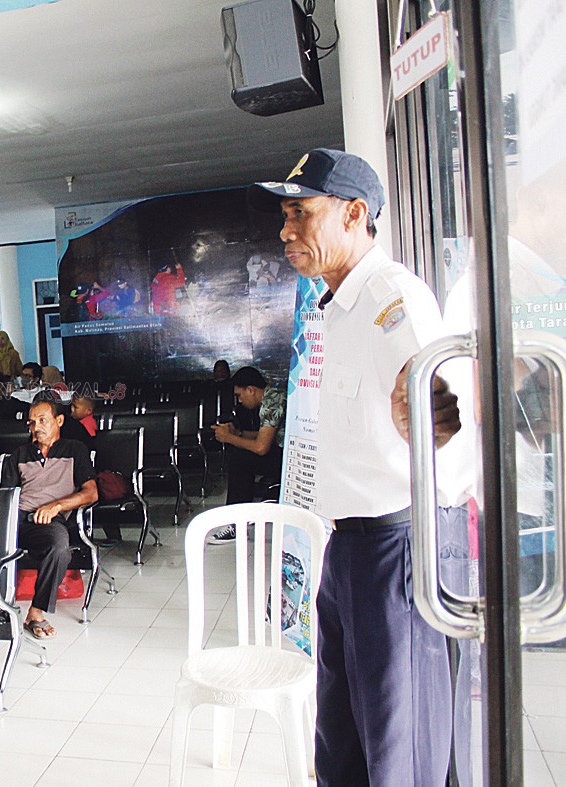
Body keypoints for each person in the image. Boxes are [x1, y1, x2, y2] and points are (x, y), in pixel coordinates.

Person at [250, 149, 461, 786]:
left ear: (354, 214)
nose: (286, 230)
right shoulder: (338, 304)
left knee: (401, 747)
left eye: (299, 213)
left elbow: (446, 421)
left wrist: (427, 420)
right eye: (284, 214)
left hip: (395, 548)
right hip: (347, 550)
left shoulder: (390, 298)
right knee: (341, 740)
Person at [1, 399, 99, 639]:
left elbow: (91, 492)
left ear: (59, 421)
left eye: (42, 420)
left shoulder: (74, 450)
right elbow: (5, 496)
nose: (36, 427)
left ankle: (36, 612)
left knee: (58, 545)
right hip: (17, 518)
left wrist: (56, 506)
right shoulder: (20, 454)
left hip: (49, 521)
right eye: (32, 422)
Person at [208, 366, 286, 542]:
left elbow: (261, 447)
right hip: (284, 452)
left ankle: (236, 524)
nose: (240, 401)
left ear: (251, 390)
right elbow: (265, 436)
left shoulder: (271, 402)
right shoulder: (273, 396)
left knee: (240, 459)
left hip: (288, 458)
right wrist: (238, 433)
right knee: (241, 456)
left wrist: (229, 438)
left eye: (240, 395)